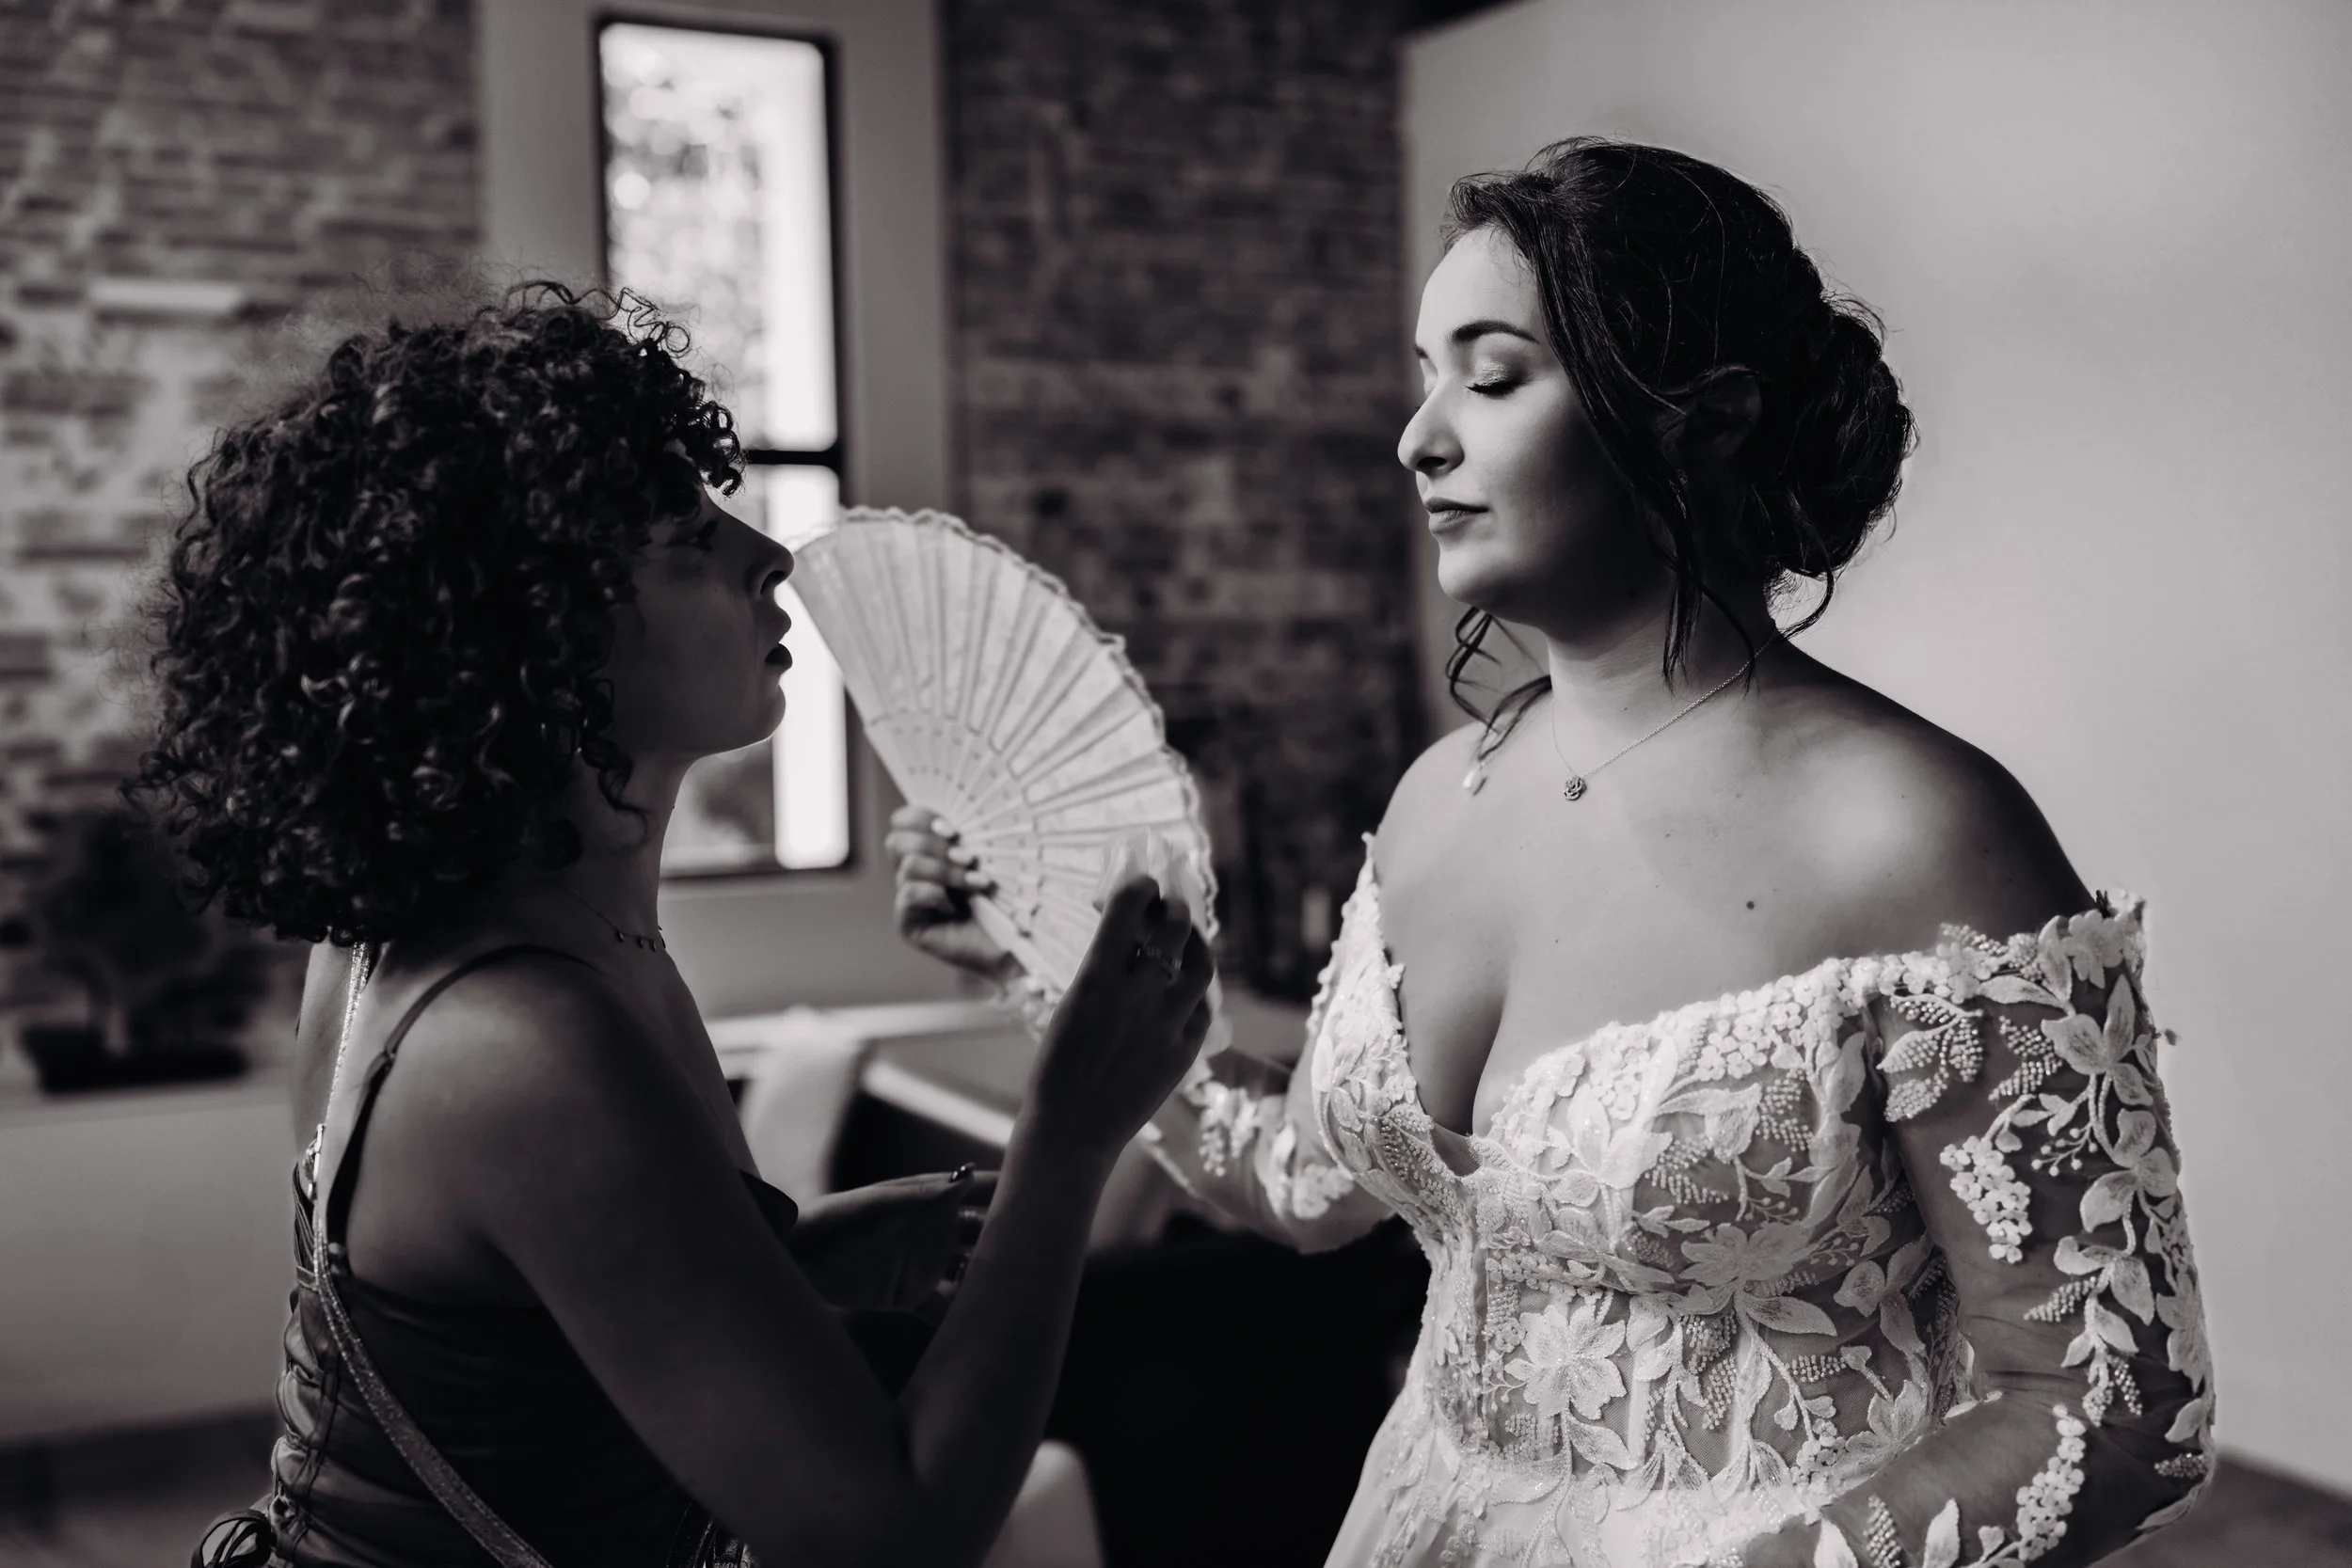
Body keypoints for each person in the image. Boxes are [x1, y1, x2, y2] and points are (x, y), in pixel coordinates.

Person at [889, 139, 2214, 1568]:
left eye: (1494, 374)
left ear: (1702, 418)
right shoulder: (1431, 801)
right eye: (1422, 373)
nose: (1418, 437)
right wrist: (1044, 957)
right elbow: (1305, 1184)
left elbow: (2116, 1402)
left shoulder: (1922, 831)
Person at [142, 282, 1216, 1568]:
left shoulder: (459, 943)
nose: (770, 556)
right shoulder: (520, 1040)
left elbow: (502, 1341)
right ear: (537, 638)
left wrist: (793, 1262)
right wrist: (1068, 1134)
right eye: (682, 536)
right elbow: (896, 1525)